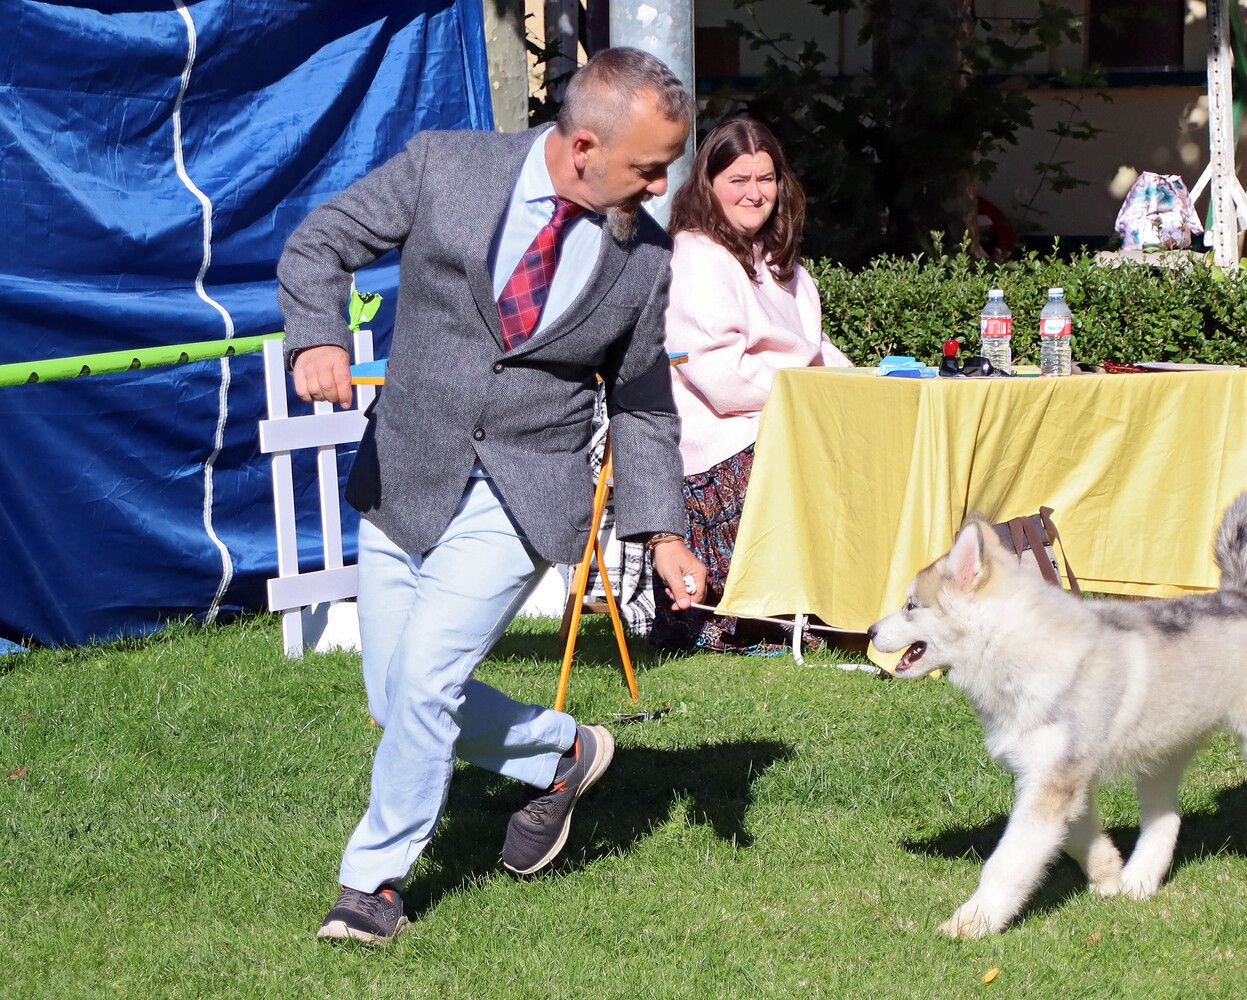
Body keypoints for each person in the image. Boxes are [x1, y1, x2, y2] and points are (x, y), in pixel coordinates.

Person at [277, 47, 708, 945]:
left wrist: (663, 529)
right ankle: (565, 752)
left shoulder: (645, 259)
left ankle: (373, 885)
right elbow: (321, 242)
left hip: (524, 487)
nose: (665, 184)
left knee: (429, 678)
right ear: (583, 145)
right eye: (650, 166)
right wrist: (315, 338)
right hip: (407, 472)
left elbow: (639, 398)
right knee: (399, 698)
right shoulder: (447, 166)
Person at [650, 118, 851, 653]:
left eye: (766, 179)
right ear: (708, 185)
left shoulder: (783, 266)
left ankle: (857, 607)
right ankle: (750, 619)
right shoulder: (695, 257)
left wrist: (864, 388)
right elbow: (720, 378)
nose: (755, 192)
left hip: (778, 421)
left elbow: (816, 350)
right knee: (817, 459)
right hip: (716, 447)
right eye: (739, 179)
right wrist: (812, 398)